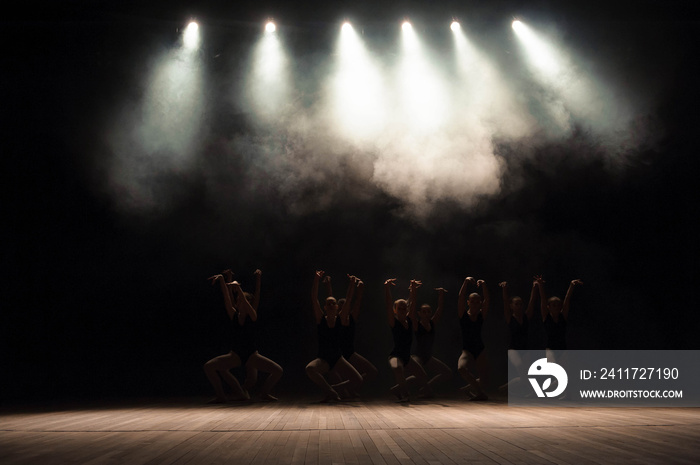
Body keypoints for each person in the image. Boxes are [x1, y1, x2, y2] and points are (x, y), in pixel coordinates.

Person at [305, 271, 363, 402]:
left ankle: (334, 388)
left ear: (337, 307)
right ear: (325, 307)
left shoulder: (341, 319)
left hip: (337, 358)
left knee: (358, 379)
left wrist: (352, 284)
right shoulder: (321, 319)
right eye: (329, 304)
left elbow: (348, 299)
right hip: (324, 358)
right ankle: (330, 391)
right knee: (310, 369)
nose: (331, 305)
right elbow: (314, 298)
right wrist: (316, 280)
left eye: (333, 303)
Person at [203, 271, 255, 403]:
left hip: (249, 355)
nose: (236, 301)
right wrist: (222, 280)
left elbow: (245, 303)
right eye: (238, 299)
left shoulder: (251, 317)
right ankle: (230, 395)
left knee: (253, 379)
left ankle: (239, 393)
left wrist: (238, 289)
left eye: (239, 299)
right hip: (236, 355)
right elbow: (227, 297)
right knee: (213, 367)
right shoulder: (234, 315)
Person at [324, 275, 378, 398]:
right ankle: (343, 390)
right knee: (334, 375)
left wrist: (360, 288)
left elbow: (357, 300)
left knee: (372, 372)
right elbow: (330, 298)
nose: (344, 307)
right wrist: (328, 285)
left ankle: (345, 387)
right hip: (338, 354)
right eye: (340, 305)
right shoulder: (336, 320)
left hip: (350, 353)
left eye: (345, 305)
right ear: (338, 309)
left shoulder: (352, 318)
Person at [385, 278, 429, 402]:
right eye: (399, 309)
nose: (403, 311)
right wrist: (387, 289)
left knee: (423, 377)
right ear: (395, 310)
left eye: (404, 309)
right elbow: (388, 304)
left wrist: (413, 289)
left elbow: (412, 303)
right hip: (395, 356)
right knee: (397, 368)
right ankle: (405, 394)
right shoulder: (394, 322)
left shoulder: (409, 320)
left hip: (407, 357)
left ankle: (397, 389)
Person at [412, 287, 452, 397]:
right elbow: (411, 311)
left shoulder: (432, 323)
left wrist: (441, 295)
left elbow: (440, 309)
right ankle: (399, 388)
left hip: (428, 357)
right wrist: (413, 292)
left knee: (447, 372)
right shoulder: (417, 325)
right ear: (419, 313)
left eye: (428, 311)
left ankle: (426, 388)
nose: (426, 313)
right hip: (418, 355)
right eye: (424, 311)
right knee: (419, 374)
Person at [498, 279, 537, 393]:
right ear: (512, 306)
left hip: (525, 350)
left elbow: (532, 301)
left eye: (520, 304)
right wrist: (504, 289)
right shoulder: (510, 318)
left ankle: (504, 388)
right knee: (522, 370)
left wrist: (535, 287)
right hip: (513, 349)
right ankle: (508, 389)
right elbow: (505, 301)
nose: (519, 306)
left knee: (525, 376)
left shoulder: (526, 316)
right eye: (516, 304)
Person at [457, 276, 490, 401]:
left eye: (477, 302)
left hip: (480, 349)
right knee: (461, 368)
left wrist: (484, 285)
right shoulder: (463, 315)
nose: (475, 304)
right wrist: (465, 282)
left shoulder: (481, 315)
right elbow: (460, 298)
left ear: (480, 303)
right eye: (473, 301)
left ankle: (468, 389)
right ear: (468, 302)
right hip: (467, 349)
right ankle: (480, 393)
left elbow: (487, 299)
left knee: (485, 378)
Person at [538, 277, 583, 353]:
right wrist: (540, 286)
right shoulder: (546, 316)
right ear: (549, 307)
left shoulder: (563, 316)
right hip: (550, 349)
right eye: (554, 305)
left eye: (558, 305)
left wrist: (571, 285)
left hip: (562, 349)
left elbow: (567, 299)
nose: (556, 307)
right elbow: (543, 299)